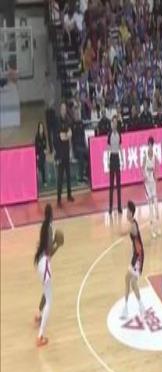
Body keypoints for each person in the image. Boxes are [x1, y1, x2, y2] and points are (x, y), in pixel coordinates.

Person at [34, 204, 62, 347]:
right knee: (50, 300)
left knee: (46, 292)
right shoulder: (50, 226)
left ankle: (38, 314)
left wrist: (55, 243)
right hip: (44, 264)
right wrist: (58, 245)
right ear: (52, 215)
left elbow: (45, 249)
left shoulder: (43, 226)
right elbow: (49, 251)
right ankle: (40, 336)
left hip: (40, 263)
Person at [120, 201, 146, 320]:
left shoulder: (133, 225)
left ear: (131, 212)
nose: (126, 213)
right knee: (130, 281)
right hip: (136, 255)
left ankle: (133, 307)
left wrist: (118, 232)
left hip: (138, 256)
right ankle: (137, 306)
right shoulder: (132, 223)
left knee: (131, 281)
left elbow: (125, 232)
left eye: (127, 211)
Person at [55, 102, 74, 207]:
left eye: (65, 109)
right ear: (60, 110)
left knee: (68, 175)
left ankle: (69, 195)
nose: (64, 110)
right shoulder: (58, 121)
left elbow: (70, 134)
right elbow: (62, 137)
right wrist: (66, 135)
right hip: (60, 152)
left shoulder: (68, 120)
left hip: (67, 151)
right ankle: (58, 199)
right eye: (62, 109)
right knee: (60, 178)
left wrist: (67, 136)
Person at [143, 136, 161, 238]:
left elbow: (158, 164)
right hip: (147, 183)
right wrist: (144, 175)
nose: (150, 146)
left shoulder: (154, 155)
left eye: (151, 145)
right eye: (149, 145)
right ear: (148, 145)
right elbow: (142, 167)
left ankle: (158, 228)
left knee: (156, 206)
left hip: (153, 181)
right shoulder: (145, 155)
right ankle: (152, 230)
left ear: (153, 145)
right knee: (150, 207)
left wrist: (156, 174)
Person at [107, 116, 122, 214]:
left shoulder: (119, 134)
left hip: (117, 157)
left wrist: (122, 158)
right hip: (112, 157)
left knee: (118, 185)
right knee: (111, 185)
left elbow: (120, 147)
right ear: (111, 124)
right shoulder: (109, 135)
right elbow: (108, 148)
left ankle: (119, 206)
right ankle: (110, 207)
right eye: (113, 123)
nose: (114, 124)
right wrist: (108, 160)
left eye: (116, 122)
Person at [35, 122, 48, 186]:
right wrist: (37, 154)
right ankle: (39, 180)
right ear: (38, 128)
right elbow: (36, 146)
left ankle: (44, 180)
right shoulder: (37, 137)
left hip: (43, 154)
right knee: (40, 167)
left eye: (42, 128)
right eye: (40, 128)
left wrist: (45, 149)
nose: (41, 129)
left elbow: (45, 145)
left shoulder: (44, 136)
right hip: (39, 154)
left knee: (42, 167)